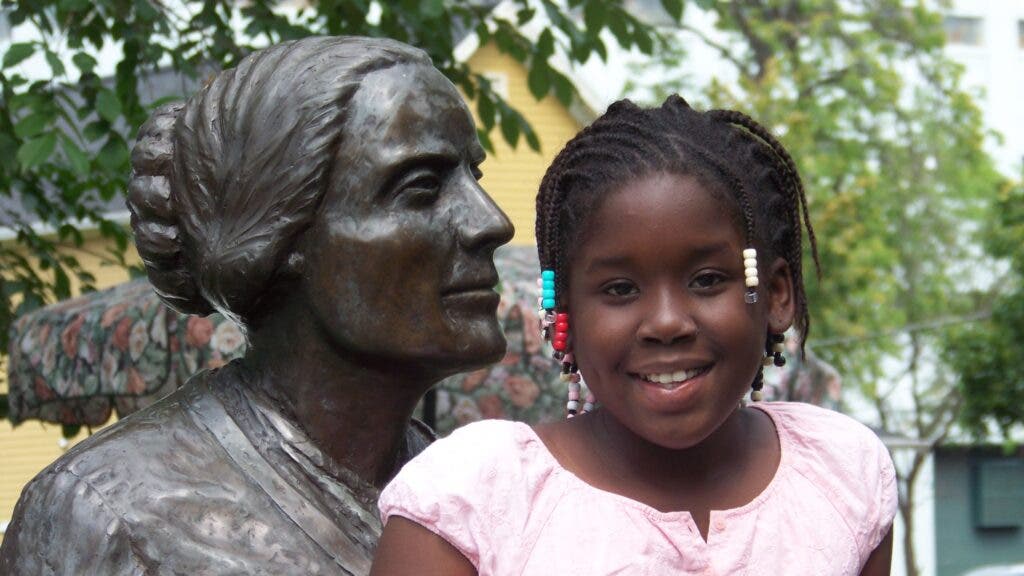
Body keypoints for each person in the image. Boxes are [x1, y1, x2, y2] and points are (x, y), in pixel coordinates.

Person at [0, 36, 513, 575]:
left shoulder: (476, 494)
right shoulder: (105, 517)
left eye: (472, 177)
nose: (491, 221)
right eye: (421, 187)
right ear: (281, 235)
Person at [371, 96, 897, 575]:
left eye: (707, 280)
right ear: (563, 315)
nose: (667, 322)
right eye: (620, 289)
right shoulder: (476, 501)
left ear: (777, 295)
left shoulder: (841, 475)